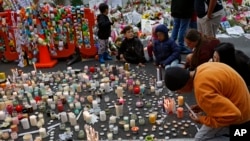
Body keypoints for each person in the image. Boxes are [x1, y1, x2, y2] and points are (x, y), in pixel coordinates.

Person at [164, 62, 250, 141]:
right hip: (243, 102)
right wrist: (203, 106)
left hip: (241, 115)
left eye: (179, 91)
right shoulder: (201, 68)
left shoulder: (202, 90)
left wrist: (202, 119)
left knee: (200, 139)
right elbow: (217, 92)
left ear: (183, 85)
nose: (180, 93)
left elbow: (234, 114)